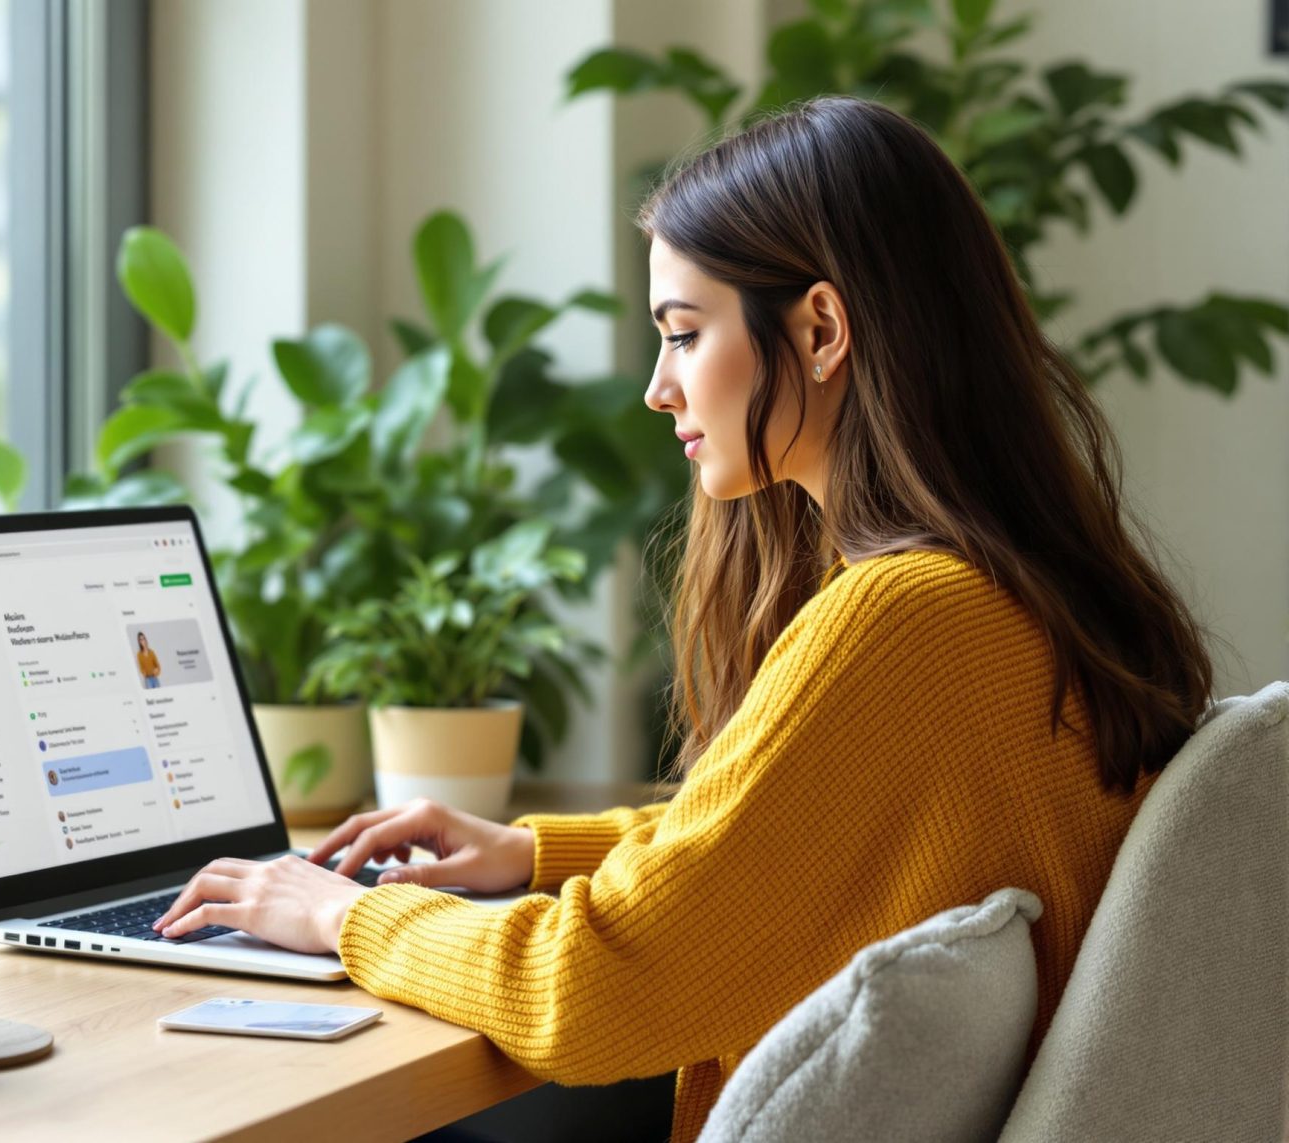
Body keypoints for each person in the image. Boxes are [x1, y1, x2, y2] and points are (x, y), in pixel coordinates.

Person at [150, 96, 1214, 1143]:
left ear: (820, 328)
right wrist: (531, 854)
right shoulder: (1005, 594)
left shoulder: (902, 617)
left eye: (683, 334)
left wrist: (341, 914)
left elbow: (591, 994)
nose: (659, 389)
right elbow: (778, 838)